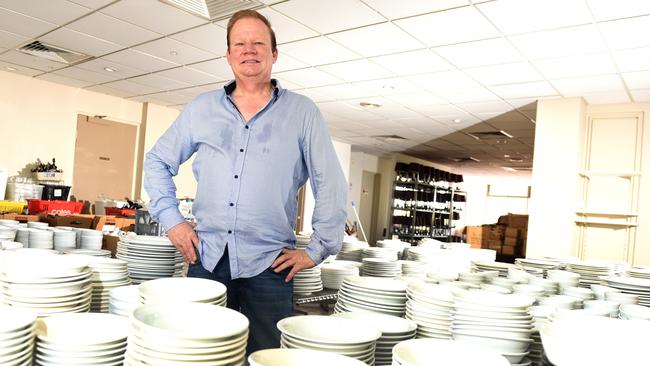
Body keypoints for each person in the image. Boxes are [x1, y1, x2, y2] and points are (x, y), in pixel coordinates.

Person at [143, 9, 347, 354]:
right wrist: (173, 222)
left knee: (265, 356)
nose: (248, 50)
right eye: (240, 43)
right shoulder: (201, 108)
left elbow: (330, 182)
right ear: (228, 55)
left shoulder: (303, 112)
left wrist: (318, 249)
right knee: (197, 353)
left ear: (274, 54)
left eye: (258, 43)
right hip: (206, 259)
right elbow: (157, 161)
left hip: (270, 266)